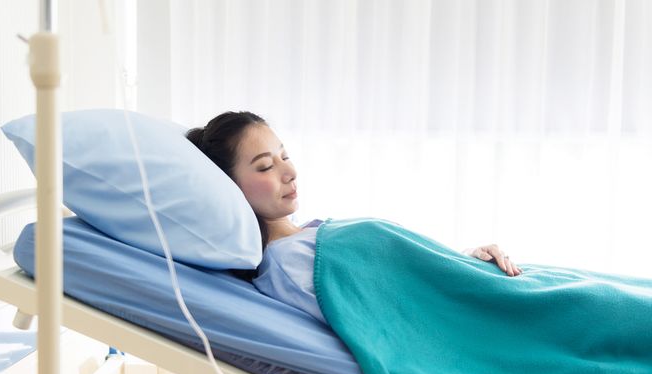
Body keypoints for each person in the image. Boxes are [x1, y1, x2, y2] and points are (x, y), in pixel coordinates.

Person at [186, 111, 521, 322]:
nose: (290, 172)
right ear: (229, 188)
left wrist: (465, 260)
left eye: (284, 156)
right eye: (265, 166)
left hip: (480, 285)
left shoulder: (312, 234)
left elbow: (402, 279)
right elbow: (388, 315)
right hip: (475, 316)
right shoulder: (287, 263)